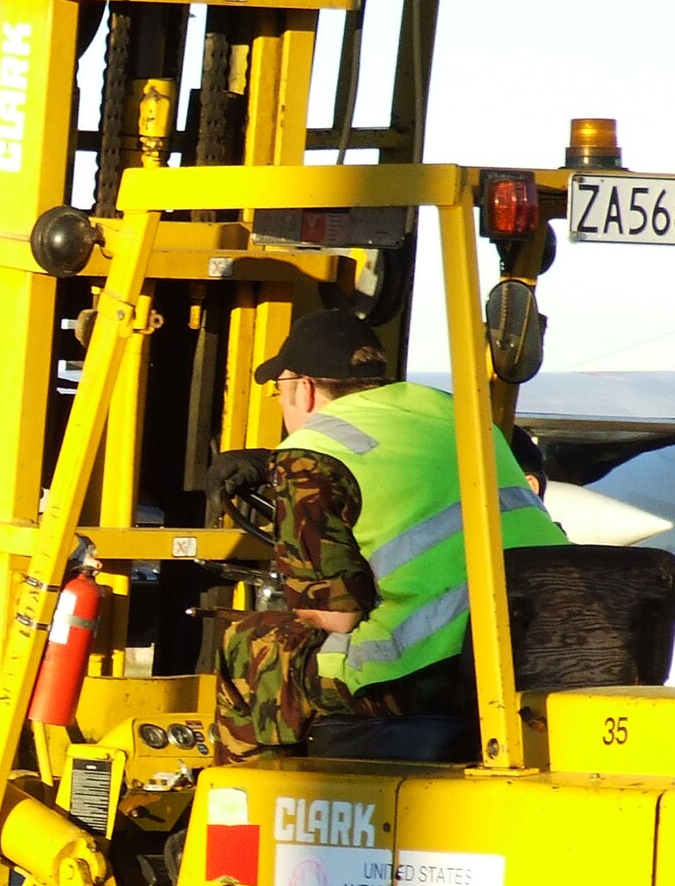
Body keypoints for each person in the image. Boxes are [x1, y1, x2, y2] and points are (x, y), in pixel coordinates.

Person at [208, 308, 566, 763]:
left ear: (306, 389)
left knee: (250, 642)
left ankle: (251, 806)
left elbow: (337, 617)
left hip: (428, 670)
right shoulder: (455, 412)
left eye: (279, 390)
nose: (281, 404)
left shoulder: (308, 457)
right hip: (535, 649)